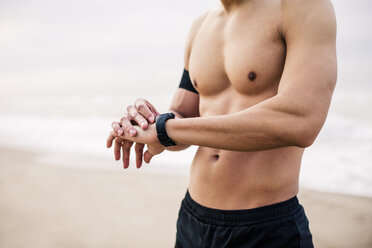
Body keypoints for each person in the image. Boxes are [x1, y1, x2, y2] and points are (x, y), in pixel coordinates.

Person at [106, 0, 337, 247]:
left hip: (265, 226)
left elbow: (300, 120)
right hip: (192, 220)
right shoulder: (200, 26)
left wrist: (166, 129)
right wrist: (149, 123)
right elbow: (183, 116)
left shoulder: (300, 6)